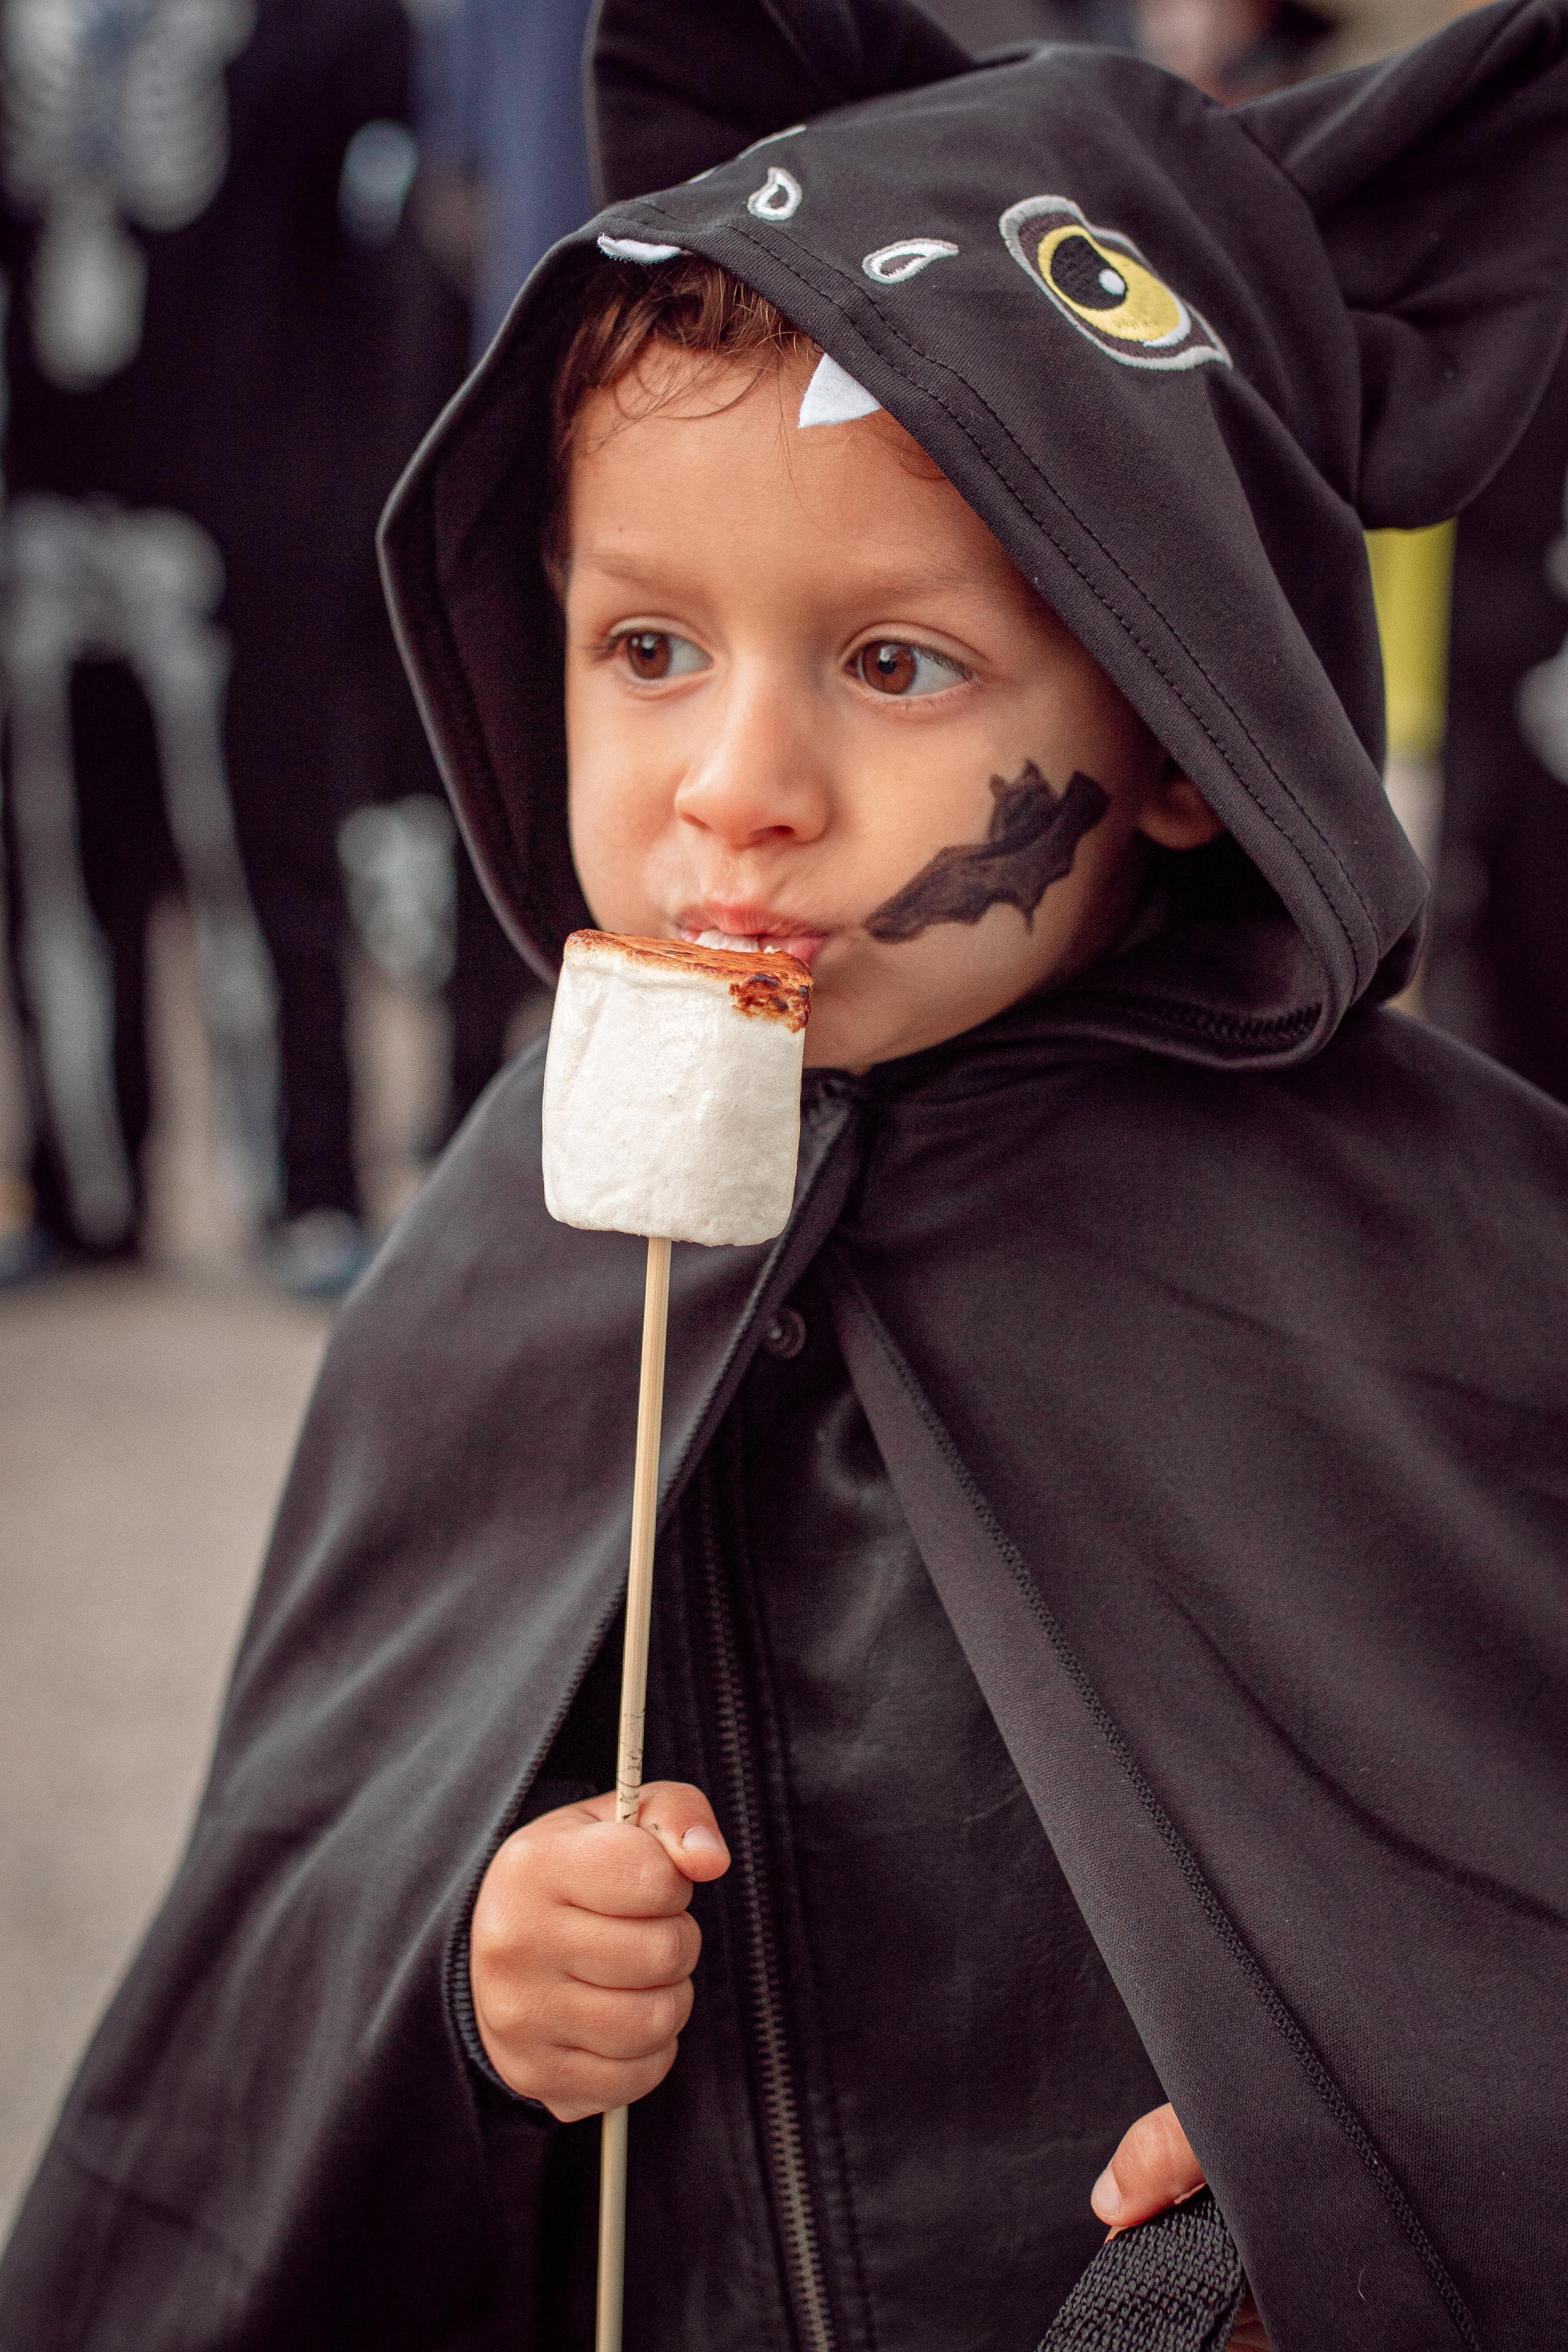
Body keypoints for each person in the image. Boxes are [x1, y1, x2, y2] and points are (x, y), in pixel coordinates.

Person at [4, 2, 1568, 2346]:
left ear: (1173, 722)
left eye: (899, 666)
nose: (734, 782)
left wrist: (1360, 2153)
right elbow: (300, 1910)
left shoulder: (1443, 1264)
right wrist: (474, 1979)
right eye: (647, 644)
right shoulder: (521, 1223)